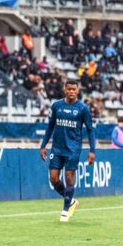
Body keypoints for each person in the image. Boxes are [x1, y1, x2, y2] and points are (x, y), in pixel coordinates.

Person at [39, 81, 95, 222]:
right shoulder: (56, 106)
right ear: (65, 90)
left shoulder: (83, 108)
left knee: (69, 176)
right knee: (53, 178)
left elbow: (90, 130)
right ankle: (70, 200)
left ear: (77, 90)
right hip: (57, 148)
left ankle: (65, 210)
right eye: (69, 89)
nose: (71, 91)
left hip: (73, 148)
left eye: (74, 89)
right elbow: (50, 126)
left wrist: (92, 150)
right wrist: (43, 145)